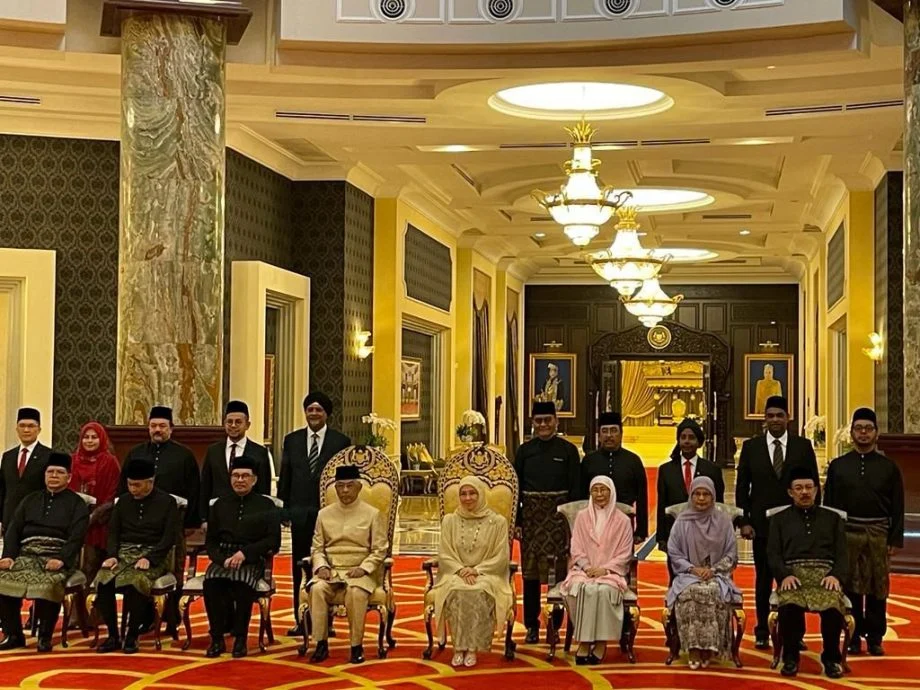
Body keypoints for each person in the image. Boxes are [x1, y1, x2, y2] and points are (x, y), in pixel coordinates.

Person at [735, 395, 819, 648]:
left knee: (794, 579)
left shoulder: (802, 446)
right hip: (761, 527)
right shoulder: (752, 447)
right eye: (770, 416)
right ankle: (762, 629)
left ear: (787, 418)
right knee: (763, 579)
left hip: (795, 527)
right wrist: (744, 521)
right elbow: (742, 488)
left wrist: (812, 521)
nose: (775, 420)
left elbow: (813, 485)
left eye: (779, 416)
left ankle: (794, 633)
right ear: (764, 419)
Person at [824, 407, 904, 657]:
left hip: (878, 533)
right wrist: (830, 538)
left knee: (878, 587)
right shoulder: (838, 466)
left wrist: (894, 538)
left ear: (876, 433)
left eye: (868, 429)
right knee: (850, 586)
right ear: (852, 433)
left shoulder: (889, 467)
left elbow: (898, 505)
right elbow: (829, 505)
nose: (863, 433)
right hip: (847, 533)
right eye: (859, 429)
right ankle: (853, 635)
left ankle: (875, 637)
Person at [119, 405, 200, 631]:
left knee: (174, 568)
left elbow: (194, 490)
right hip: (139, 527)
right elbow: (123, 489)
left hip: (173, 525)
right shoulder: (136, 453)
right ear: (148, 428)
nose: (157, 430)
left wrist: (191, 523)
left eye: (162, 426)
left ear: (171, 429)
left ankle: (171, 618)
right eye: (153, 426)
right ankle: (143, 619)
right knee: (140, 569)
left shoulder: (184, 455)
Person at [278, 392, 351, 635]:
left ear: (326, 414)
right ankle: (301, 620)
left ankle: (326, 622)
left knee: (326, 565)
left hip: (328, 515)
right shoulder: (292, 440)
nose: (314, 414)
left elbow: (344, 481)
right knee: (300, 566)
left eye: (318, 410)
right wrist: (284, 509)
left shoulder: (340, 441)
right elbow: (286, 477)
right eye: (310, 409)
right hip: (299, 513)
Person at [0, 452, 89, 652]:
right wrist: (8, 556)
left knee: (49, 584)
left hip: (56, 556)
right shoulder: (30, 499)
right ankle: (13, 634)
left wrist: (62, 559)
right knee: (2, 580)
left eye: (59, 472)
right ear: (44, 475)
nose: (54, 476)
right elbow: (14, 530)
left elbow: (77, 537)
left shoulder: (77, 504)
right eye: (50, 472)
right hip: (27, 555)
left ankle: (44, 637)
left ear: (69, 477)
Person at [768, 466, 848, 679]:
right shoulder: (779, 520)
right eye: (799, 488)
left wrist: (835, 576)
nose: (804, 492)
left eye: (809, 487)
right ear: (790, 492)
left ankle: (831, 659)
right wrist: (784, 575)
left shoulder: (833, 519)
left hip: (825, 576)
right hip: (793, 575)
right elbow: (773, 554)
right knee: (790, 606)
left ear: (816, 490)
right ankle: (791, 658)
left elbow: (843, 554)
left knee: (832, 606)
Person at [93, 458, 179, 654]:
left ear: (150, 482)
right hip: (124, 554)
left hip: (153, 555)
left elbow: (169, 538)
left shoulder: (167, 502)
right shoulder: (123, 501)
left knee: (136, 581)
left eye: (137, 485)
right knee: (103, 580)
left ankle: (132, 635)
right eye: (130, 484)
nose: (133, 489)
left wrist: (150, 558)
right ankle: (113, 635)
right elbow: (113, 533)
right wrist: (112, 555)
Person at [513, 400, 580, 644]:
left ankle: (555, 625)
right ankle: (532, 626)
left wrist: (573, 523)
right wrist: (517, 521)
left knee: (558, 574)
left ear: (556, 421)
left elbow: (576, 491)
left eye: (547, 420)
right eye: (538, 421)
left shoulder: (568, 451)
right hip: (532, 521)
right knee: (530, 576)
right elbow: (516, 489)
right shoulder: (524, 451)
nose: (543, 425)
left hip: (558, 521)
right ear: (533, 422)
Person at [307, 465, 387, 665]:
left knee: (356, 592)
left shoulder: (372, 514)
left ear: (358, 487)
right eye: (340, 486)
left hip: (360, 571)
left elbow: (380, 550)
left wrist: (364, 568)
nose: (344, 491)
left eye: (349, 486)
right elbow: (317, 548)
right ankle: (321, 644)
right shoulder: (324, 514)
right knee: (317, 589)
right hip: (331, 571)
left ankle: (356, 646)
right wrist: (321, 566)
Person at [203, 456, 281, 659]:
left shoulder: (266, 505)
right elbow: (211, 541)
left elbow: (273, 541)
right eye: (236, 476)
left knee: (242, 583)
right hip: (224, 558)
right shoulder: (219, 505)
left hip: (251, 559)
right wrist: (221, 559)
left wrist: (245, 553)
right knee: (211, 583)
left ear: (254, 480)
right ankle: (217, 638)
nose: (240, 480)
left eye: (245, 476)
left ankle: (240, 638)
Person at [432, 476, 513, 668]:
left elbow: (501, 557)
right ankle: (458, 647)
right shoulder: (450, 521)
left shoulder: (498, 522)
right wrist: (461, 570)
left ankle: (472, 648)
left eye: (472, 493)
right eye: (463, 494)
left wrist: (477, 570)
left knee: (477, 590)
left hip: (488, 575)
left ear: (481, 494)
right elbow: (444, 553)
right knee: (457, 590)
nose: (467, 498)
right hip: (455, 574)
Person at [666, 476, 741, 669]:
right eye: (697, 494)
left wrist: (713, 570)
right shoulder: (682, 521)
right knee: (689, 593)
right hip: (688, 575)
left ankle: (710, 648)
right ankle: (692, 648)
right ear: (691, 496)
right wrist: (692, 568)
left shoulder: (723, 521)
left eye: (706, 494)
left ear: (713, 496)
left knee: (714, 591)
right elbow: (673, 552)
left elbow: (731, 553)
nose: (701, 498)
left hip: (717, 575)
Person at [560, 476, 633, 665]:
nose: (599, 494)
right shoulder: (582, 517)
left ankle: (601, 642)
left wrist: (605, 570)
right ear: (590, 493)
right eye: (595, 490)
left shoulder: (623, 521)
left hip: (611, 574)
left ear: (611, 492)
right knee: (578, 589)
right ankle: (584, 641)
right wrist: (586, 567)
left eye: (603, 490)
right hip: (583, 571)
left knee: (603, 591)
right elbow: (576, 548)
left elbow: (625, 553)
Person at [656, 419, 725, 579]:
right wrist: (662, 538)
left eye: (691, 437)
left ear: (699, 442)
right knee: (677, 579)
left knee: (703, 578)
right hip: (675, 535)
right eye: (683, 437)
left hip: (705, 535)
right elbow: (662, 505)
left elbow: (719, 505)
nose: (687, 441)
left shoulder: (712, 469)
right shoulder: (666, 470)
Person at [200, 400, 273, 526]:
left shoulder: (259, 452)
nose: (233, 425)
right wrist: (204, 519)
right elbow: (205, 486)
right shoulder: (213, 451)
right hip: (218, 516)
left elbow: (263, 489)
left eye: (238, 422)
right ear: (224, 424)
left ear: (247, 425)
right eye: (229, 422)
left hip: (249, 517)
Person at [580, 412, 648, 545]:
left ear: (621, 434)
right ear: (599, 435)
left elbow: (641, 497)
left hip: (624, 522)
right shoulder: (589, 461)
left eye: (613, 431)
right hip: (594, 524)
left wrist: (641, 531)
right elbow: (581, 495)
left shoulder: (633, 460)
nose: (609, 435)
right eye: (604, 431)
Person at [69, 422, 121, 587]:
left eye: (94, 437)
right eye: (86, 437)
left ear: (102, 439)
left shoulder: (110, 462)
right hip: (73, 522)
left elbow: (114, 493)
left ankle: (93, 602)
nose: (89, 441)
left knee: (91, 567)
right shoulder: (73, 460)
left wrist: (94, 516)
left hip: (99, 524)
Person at [0, 407, 52, 532]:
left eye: (31, 426)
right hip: (9, 520)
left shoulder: (49, 455)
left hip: (35, 520)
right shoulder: (8, 456)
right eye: (22, 426)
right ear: (16, 429)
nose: (26, 430)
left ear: (39, 429)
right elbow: (2, 489)